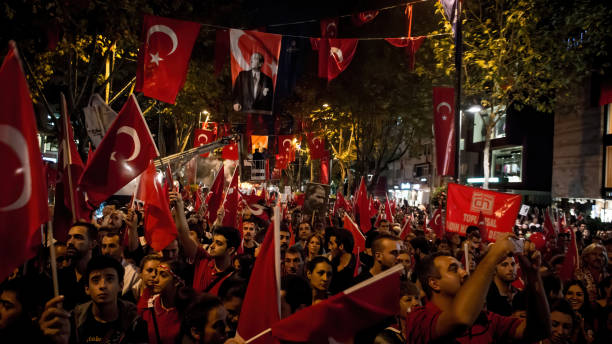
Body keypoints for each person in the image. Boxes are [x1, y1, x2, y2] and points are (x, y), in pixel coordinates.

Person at [406, 233, 551, 343]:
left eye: (462, 267)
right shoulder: (418, 318)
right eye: (453, 269)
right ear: (434, 283)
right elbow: (460, 318)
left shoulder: (483, 318)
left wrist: (533, 275)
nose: (464, 273)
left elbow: (539, 330)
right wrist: (492, 257)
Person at [39, 255, 149, 344]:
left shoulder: (135, 324)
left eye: (109, 279)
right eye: (95, 280)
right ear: (87, 288)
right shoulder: (73, 323)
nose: (102, 286)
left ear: (121, 285)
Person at [172, 192, 240, 296]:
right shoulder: (203, 259)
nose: (212, 246)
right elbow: (183, 234)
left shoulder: (235, 280)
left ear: (230, 250)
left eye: (219, 243)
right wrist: (179, 206)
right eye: (213, 241)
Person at [141, 259, 191, 344]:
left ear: (176, 282)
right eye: (156, 274)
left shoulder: (189, 311)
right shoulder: (148, 307)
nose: (155, 279)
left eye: (163, 275)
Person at [58, 222, 98, 310]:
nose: (70, 242)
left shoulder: (99, 276)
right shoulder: (60, 276)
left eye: (78, 237)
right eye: (69, 237)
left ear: (93, 244)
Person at [101, 232, 140, 299]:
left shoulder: (134, 273)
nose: (106, 251)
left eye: (111, 246)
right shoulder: (96, 269)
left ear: (121, 247)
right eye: (104, 246)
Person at [327, 228, 356, 294]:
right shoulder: (330, 264)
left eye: (332, 244)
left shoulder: (358, 266)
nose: (329, 248)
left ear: (341, 246)